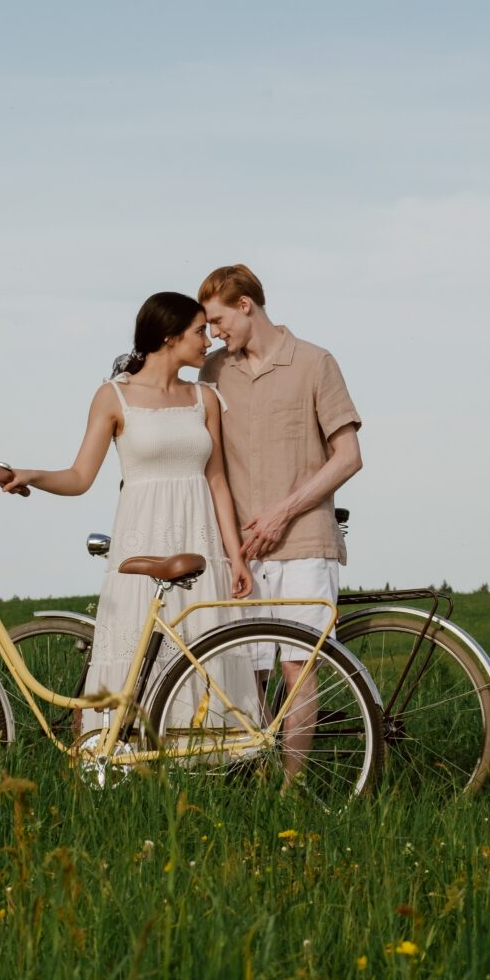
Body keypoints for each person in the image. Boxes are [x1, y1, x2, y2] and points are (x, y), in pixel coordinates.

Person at [0, 292, 256, 744]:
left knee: (203, 641)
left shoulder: (204, 398)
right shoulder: (113, 396)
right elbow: (80, 476)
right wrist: (32, 474)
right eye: (198, 331)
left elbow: (217, 483)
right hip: (142, 538)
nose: (208, 341)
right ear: (170, 337)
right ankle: (130, 750)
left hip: (200, 541)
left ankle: (211, 756)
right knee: (136, 646)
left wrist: (236, 559)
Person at [196, 264, 362, 766]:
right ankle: (253, 781)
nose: (213, 333)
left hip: (304, 542)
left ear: (245, 305)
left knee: (297, 669)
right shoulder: (214, 372)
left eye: (218, 320)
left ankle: (290, 796)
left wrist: (283, 513)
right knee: (246, 673)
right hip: (240, 550)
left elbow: (349, 455)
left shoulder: (315, 363)